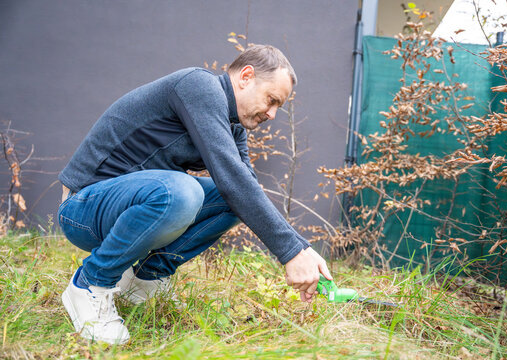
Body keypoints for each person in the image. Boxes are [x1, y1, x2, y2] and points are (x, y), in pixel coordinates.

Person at [57, 44, 332, 344]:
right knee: (181, 192)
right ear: (246, 76)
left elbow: (246, 191)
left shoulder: (233, 126)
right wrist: (290, 253)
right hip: (82, 207)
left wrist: (300, 249)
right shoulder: (197, 86)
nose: (273, 114)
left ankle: (144, 280)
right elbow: (233, 181)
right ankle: (90, 283)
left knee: (232, 202)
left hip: (125, 208)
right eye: (271, 100)